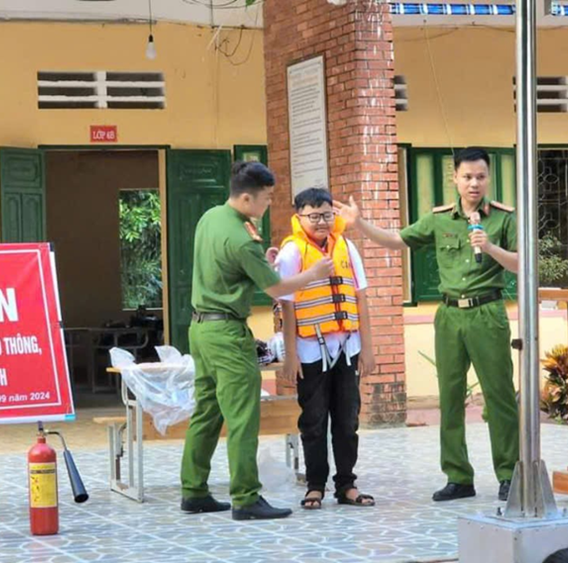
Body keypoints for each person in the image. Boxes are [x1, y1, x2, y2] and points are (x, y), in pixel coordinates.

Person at [335, 147, 520, 502]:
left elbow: (522, 264)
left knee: (499, 398)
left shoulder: (504, 219)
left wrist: (490, 246)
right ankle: (458, 476)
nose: (474, 183)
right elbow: (396, 241)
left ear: (489, 178)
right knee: (450, 398)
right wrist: (359, 224)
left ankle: (508, 474)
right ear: (455, 178)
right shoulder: (438, 219)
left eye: (480, 176)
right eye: (467, 177)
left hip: (487, 313)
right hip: (449, 315)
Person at [180, 161, 335, 521]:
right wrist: (312, 273)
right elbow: (277, 288)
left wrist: (258, 265)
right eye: (266, 199)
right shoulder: (242, 237)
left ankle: (194, 490)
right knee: (242, 416)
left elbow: (226, 271)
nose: (268, 206)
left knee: (206, 411)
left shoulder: (212, 217)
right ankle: (246, 498)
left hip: (200, 329)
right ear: (247, 197)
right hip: (226, 334)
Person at [275, 188, 376, 510]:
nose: (321, 221)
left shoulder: (345, 246)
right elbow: (286, 305)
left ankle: (346, 484)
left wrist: (368, 349)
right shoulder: (292, 252)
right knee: (314, 420)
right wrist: (290, 355)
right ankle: (315, 485)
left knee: (348, 419)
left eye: (326, 214)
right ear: (299, 217)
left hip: (347, 346)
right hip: (309, 349)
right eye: (313, 215)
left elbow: (360, 297)